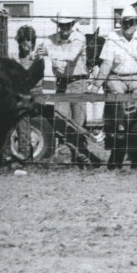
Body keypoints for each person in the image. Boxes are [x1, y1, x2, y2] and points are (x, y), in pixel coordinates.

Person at [90, 6, 137, 170]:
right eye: (124, 22)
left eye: (131, 22)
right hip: (117, 76)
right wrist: (95, 85)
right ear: (120, 23)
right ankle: (120, 138)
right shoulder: (113, 37)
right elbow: (106, 64)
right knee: (117, 98)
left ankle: (134, 149)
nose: (128, 25)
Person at [36, 12, 91, 162]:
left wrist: (48, 52)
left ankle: (80, 156)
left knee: (78, 122)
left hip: (78, 82)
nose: (65, 28)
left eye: (68, 24)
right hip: (61, 83)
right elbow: (40, 52)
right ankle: (80, 155)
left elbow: (72, 55)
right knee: (61, 120)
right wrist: (39, 53)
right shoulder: (50, 40)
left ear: (73, 25)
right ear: (58, 25)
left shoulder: (79, 37)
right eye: (62, 25)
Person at [10, 24, 40, 174]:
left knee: (23, 123)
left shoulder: (37, 58)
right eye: (22, 40)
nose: (25, 43)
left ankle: (24, 157)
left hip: (34, 96)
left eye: (28, 40)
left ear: (33, 42)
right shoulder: (14, 57)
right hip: (17, 97)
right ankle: (13, 157)